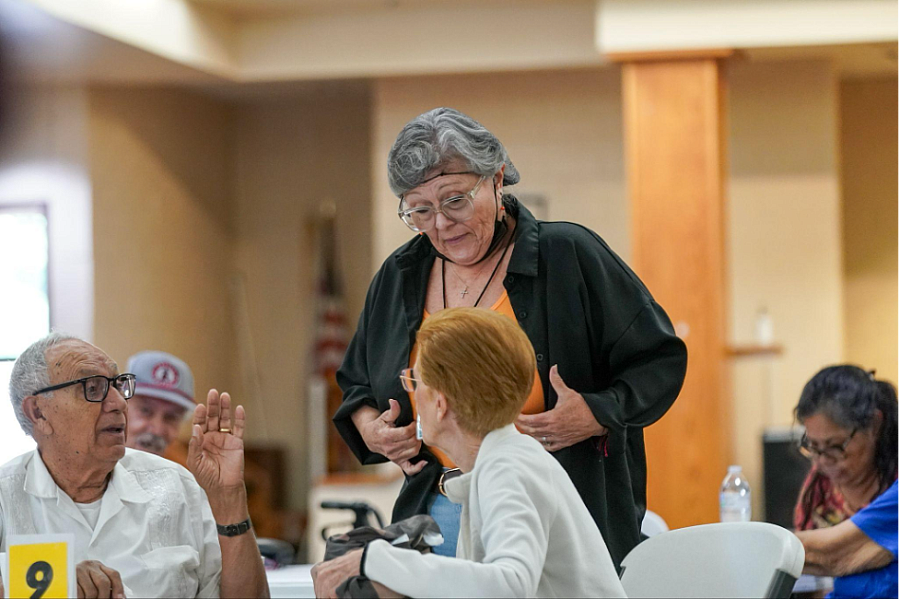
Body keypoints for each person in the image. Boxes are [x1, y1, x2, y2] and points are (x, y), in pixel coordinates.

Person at [333, 107, 687, 565]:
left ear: (497, 179)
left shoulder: (568, 256)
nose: (440, 223)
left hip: (558, 502)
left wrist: (597, 412)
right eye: (420, 210)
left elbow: (659, 360)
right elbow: (357, 383)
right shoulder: (401, 275)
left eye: (455, 200)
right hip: (439, 509)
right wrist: (374, 430)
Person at [315, 308, 627, 598]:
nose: (412, 395)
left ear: (440, 402)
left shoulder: (508, 468)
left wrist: (376, 559)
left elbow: (510, 586)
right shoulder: (502, 461)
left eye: (415, 381)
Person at [0, 333, 269, 598]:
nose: (118, 402)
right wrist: (56, 585)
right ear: (38, 413)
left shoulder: (178, 486)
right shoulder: (5, 498)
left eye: (118, 385)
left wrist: (229, 498)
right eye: (92, 389)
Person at [792, 365, 899, 598]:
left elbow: (832, 554)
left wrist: (751, 545)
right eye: (814, 447)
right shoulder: (819, 487)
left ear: (874, 425)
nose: (822, 462)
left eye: (835, 446)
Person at [125, 350, 195, 458]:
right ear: (120, 409)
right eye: (145, 411)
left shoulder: (184, 471)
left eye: (171, 417)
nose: (157, 430)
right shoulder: (92, 467)